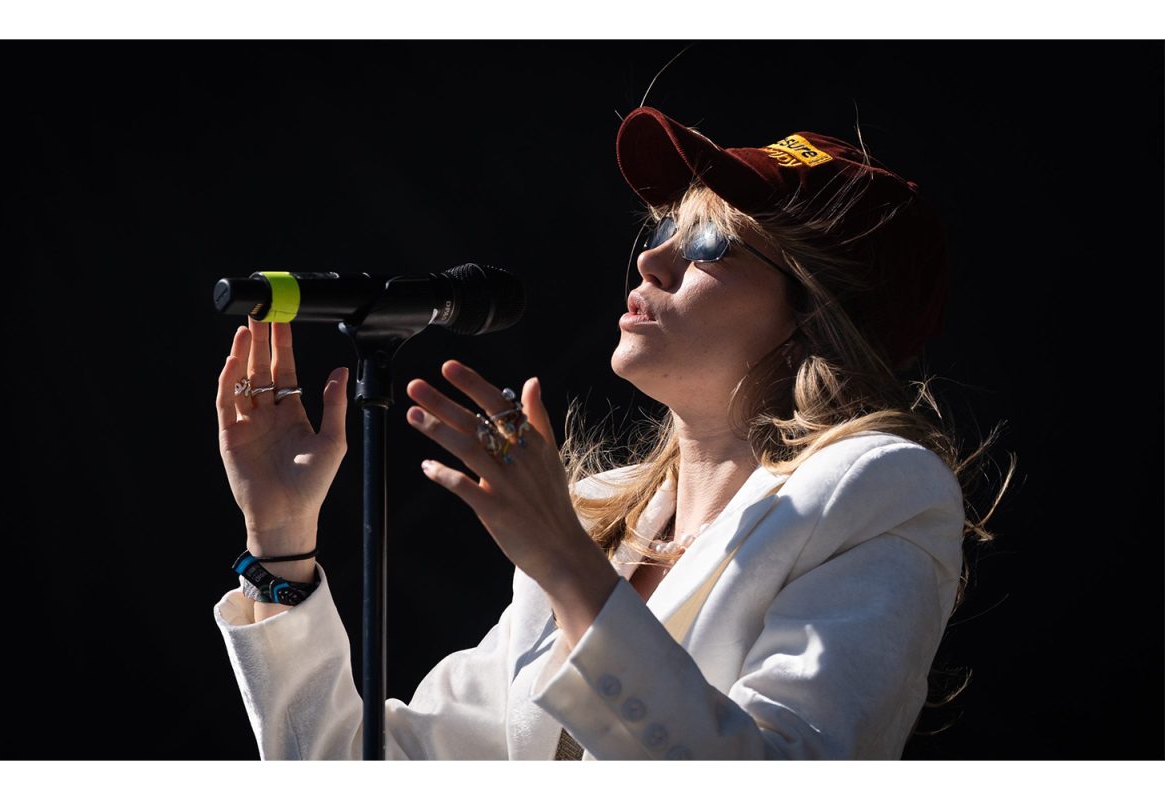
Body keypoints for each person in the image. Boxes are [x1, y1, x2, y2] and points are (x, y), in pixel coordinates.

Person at [213, 107, 1004, 759]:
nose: (652, 261)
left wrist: (561, 559)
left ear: (814, 312)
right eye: (660, 229)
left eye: (707, 245)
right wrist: (280, 535)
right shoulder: (598, 520)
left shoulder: (879, 487)